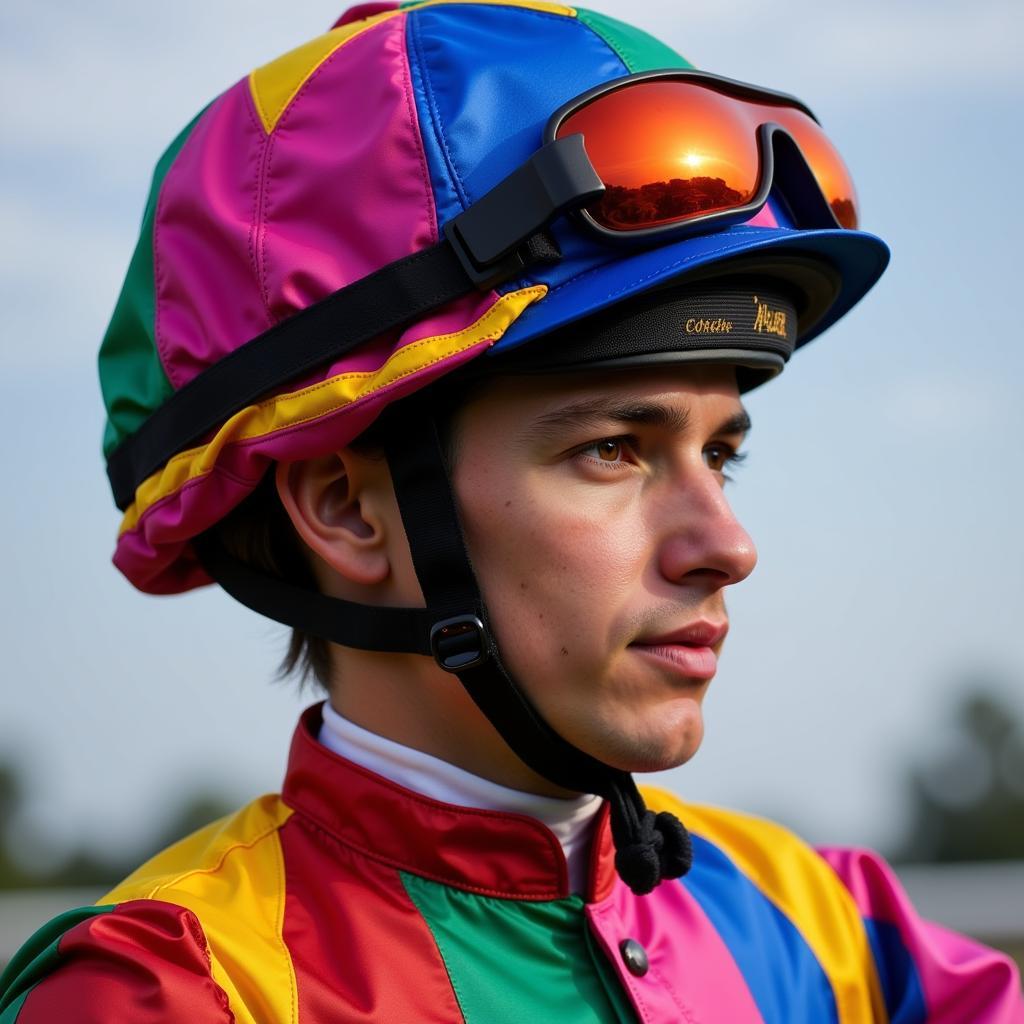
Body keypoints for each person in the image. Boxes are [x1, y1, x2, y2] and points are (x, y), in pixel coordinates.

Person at [1, 2, 1021, 1021]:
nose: (727, 546)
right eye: (613, 449)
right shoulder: (168, 992)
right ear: (347, 507)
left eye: (719, 454)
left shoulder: (829, 924)